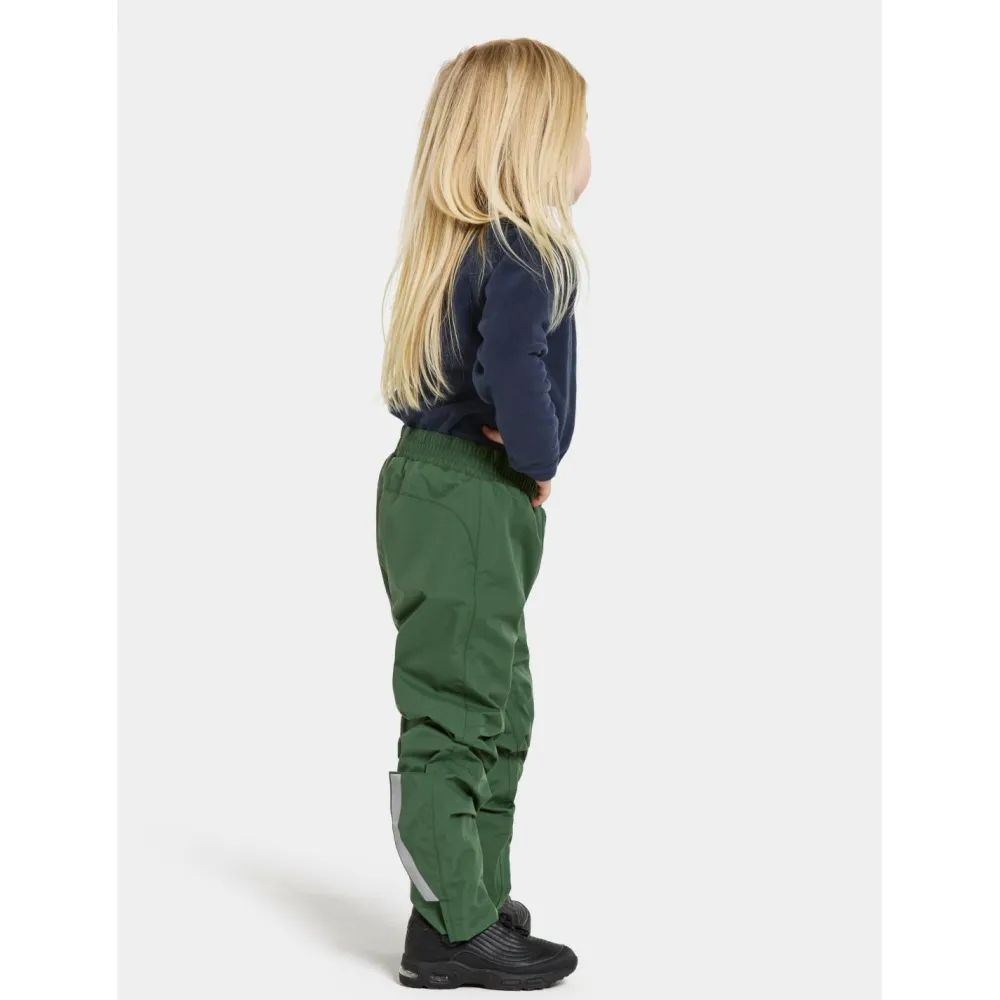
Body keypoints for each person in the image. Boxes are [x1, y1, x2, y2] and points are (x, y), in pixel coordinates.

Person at [375, 38, 591, 990]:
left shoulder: (460, 249)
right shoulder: (526, 250)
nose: (588, 152)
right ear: (534, 143)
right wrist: (537, 458)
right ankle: (447, 929)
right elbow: (515, 363)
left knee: (496, 698)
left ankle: (472, 891)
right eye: (578, 131)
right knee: (460, 710)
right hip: (472, 495)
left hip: (440, 488)